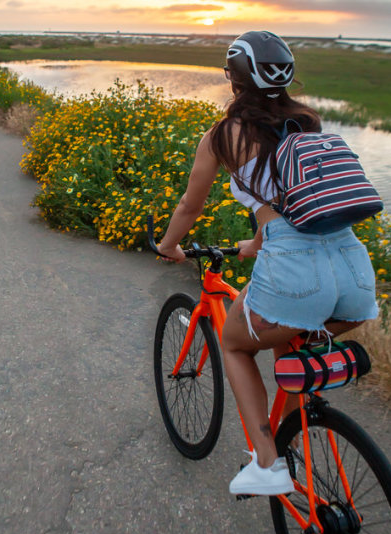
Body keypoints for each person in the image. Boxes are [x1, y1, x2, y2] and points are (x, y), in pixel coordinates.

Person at [157, 30, 378, 495]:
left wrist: (169, 246)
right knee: (288, 339)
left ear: (234, 80)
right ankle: (300, 440)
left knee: (235, 343)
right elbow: (301, 197)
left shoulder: (224, 135)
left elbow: (190, 207)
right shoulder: (307, 123)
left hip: (297, 273)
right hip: (353, 274)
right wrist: (260, 240)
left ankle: (268, 464)